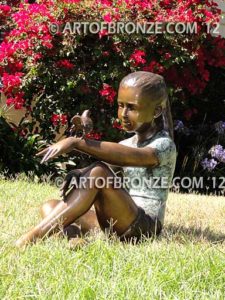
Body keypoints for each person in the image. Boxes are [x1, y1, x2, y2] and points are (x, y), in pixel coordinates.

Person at [15, 71, 176, 248]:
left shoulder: (164, 145)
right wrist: (80, 174)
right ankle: (72, 236)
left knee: (98, 171)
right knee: (50, 206)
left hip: (143, 227)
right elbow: (105, 171)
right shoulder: (127, 142)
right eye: (120, 105)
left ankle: (31, 237)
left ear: (157, 111)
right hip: (118, 218)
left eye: (132, 107)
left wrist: (77, 143)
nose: (123, 113)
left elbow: (127, 158)